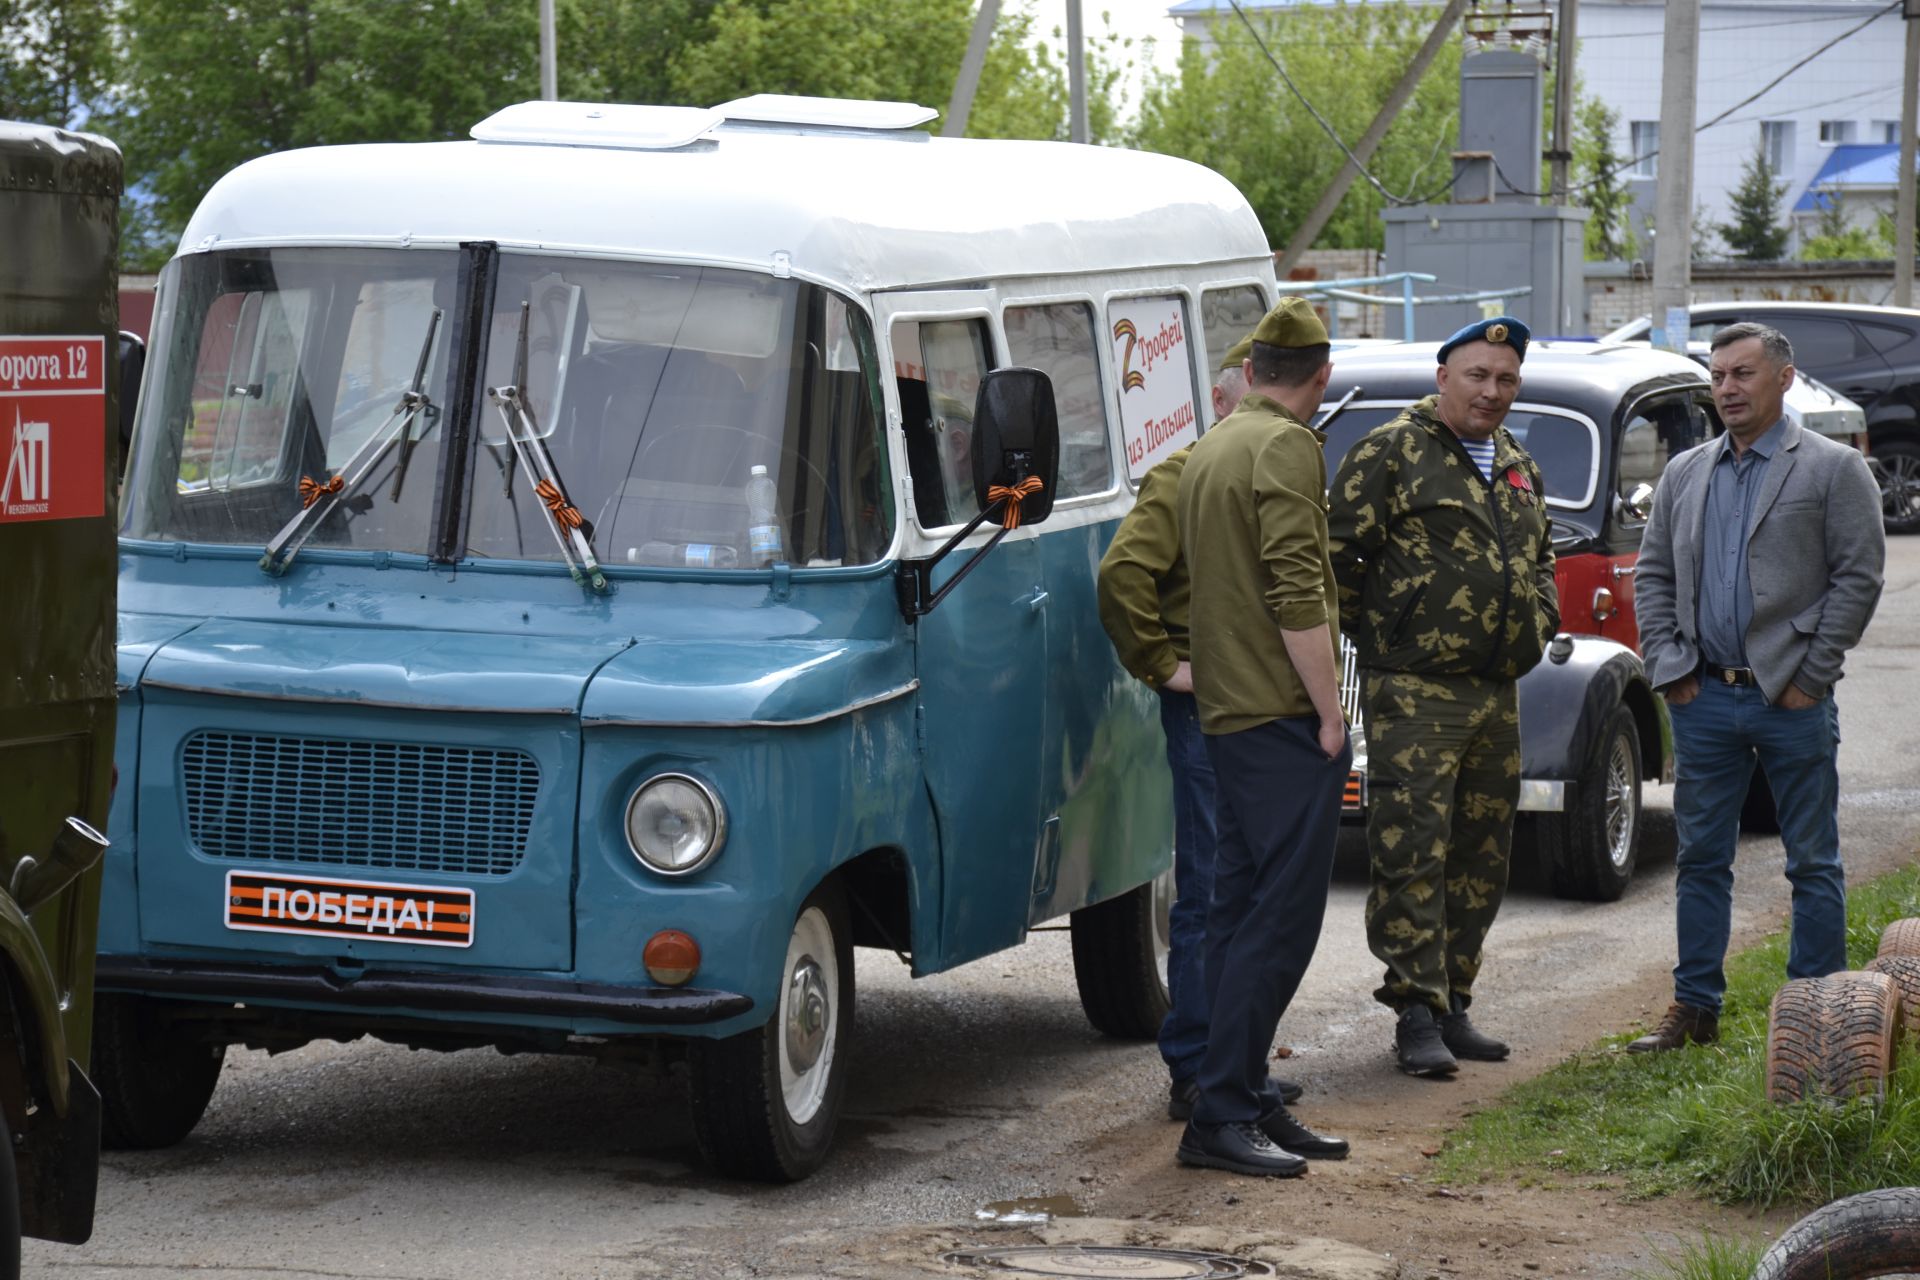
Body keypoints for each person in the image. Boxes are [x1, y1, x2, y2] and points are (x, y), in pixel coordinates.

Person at [1625, 322, 1884, 1053]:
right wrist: (1671, 670)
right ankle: (1695, 1008)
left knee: (1813, 861)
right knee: (1700, 857)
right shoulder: (1687, 471)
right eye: (1718, 376)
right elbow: (1654, 576)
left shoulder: (1833, 469)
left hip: (1790, 700)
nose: (1728, 389)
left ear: (1784, 378)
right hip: (1703, 699)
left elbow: (1858, 578)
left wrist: (1812, 675)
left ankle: (1818, 1012)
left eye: (1742, 374)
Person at [1325, 316, 1558, 1079]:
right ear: (1443, 377)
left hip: (1497, 691)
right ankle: (1414, 1012)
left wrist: (1541, 617)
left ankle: (1455, 999)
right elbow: (1338, 563)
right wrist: (1385, 638)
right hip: (1417, 690)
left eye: (1505, 379)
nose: (1492, 392)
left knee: (1482, 855)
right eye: (1477, 376)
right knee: (1410, 851)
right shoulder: (1392, 452)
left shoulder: (1519, 461)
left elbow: (1541, 553)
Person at [1096, 334, 1305, 1123]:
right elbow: (1123, 575)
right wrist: (1164, 665)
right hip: (1212, 706)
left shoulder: (1271, 465)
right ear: (1226, 398)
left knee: (1245, 886)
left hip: (1258, 704)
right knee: (1214, 885)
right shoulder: (1187, 471)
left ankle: (1232, 1061)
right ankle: (1198, 1064)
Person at [1173, 297, 1352, 1178]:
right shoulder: (1284, 447)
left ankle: (1234, 1096)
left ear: (1250, 370)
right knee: (1276, 926)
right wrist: (1329, 713)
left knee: (1234, 917)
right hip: (1280, 720)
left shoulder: (1213, 445)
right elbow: (1294, 593)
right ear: (1320, 377)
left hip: (1229, 717)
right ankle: (1224, 1113)